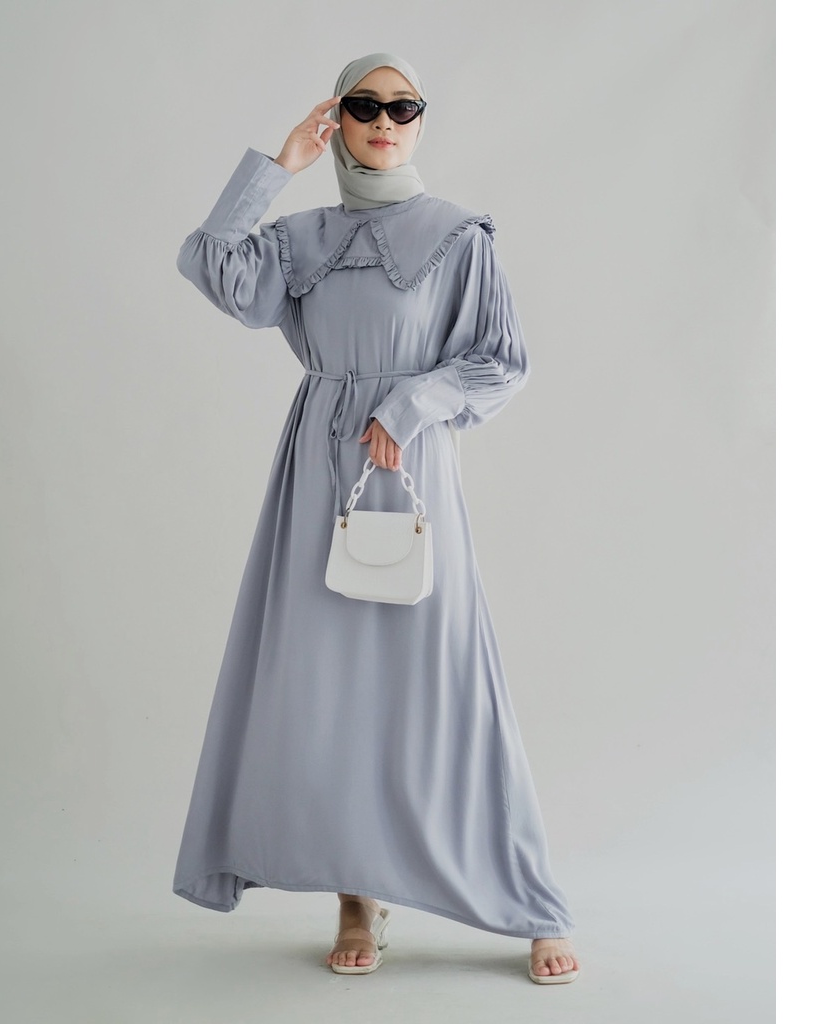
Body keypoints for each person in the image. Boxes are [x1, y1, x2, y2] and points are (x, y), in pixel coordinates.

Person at [172, 52, 579, 985]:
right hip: (316, 477)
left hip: (408, 469)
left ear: (421, 120)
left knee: (449, 683)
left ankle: (532, 900)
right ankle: (357, 897)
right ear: (339, 119)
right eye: (363, 105)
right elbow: (212, 267)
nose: (383, 121)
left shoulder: (458, 235)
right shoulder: (302, 236)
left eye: (403, 107)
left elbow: (500, 358)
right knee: (330, 694)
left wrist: (409, 406)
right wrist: (278, 167)